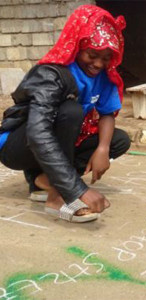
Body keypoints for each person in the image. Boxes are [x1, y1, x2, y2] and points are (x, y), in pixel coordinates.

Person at [0, 5, 130, 223]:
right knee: (70, 111)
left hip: (56, 140)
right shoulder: (51, 74)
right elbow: (38, 132)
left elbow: (107, 113)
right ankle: (57, 195)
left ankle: (42, 180)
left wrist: (103, 149)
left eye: (106, 57)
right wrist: (77, 189)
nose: (98, 64)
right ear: (78, 45)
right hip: (18, 147)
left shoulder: (104, 76)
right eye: (92, 54)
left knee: (118, 140)